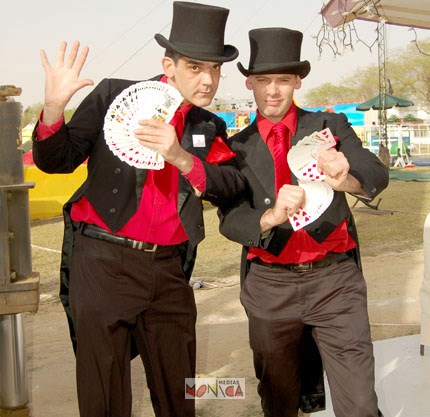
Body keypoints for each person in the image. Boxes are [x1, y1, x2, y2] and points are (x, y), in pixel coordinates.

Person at [31, 2, 245, 417]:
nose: (208, 80)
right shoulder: (114, 94)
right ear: (169, 64)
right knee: (104, 390)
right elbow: (58, 160)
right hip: (102, 260)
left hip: (168, 269)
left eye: (215, 70)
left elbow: (232, 185)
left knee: (177, 388)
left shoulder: (206, 126)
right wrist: (54, 109)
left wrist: (181, 157)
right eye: (196, 67)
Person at [217, 27, 388, 417]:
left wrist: (347, 177)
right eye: (263, 80)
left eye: (282, 80)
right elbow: (230, 220)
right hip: (269, 285)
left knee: (360, 403)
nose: (273, 91)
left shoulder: (329, 127)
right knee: (278, 400)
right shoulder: (235, 146)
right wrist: (271, 216)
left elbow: (372, 170)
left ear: (297, 80)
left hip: (335, 283)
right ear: (249, 82)